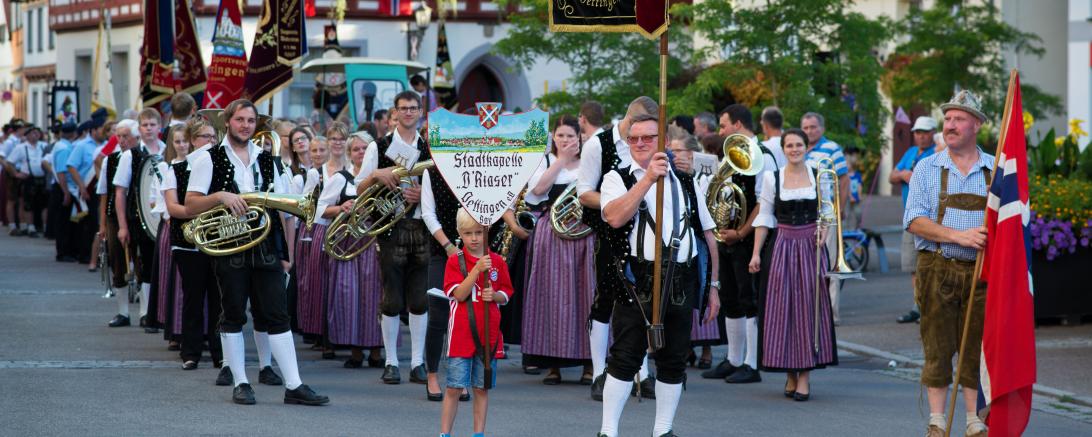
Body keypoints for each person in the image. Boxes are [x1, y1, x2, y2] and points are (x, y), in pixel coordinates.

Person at [185, 99, 329, 406]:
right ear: (229, 122)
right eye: (240, 120)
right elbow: (190, 205)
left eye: (251, 121)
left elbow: (283, 208)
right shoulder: (206, 159)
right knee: (233, 314)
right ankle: (241, 382)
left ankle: (294, 384)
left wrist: (287, 253)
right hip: (228, 247)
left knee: (278, 314)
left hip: (264, 246)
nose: (245, 125)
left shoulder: (269, 160)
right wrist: (221, 196)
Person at [597, 113, 720, 437]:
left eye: (648, 138)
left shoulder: (687, 179)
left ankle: (662, 430)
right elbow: (613, 216)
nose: (640, 144)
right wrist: (648, 178)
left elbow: (707, 234)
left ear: (662, 142)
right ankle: (608, 431)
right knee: (625, 356)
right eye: (634, 138)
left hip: (682, 277)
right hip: (637, 278)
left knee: (674, 358)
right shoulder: (618, 177)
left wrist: (713, 286)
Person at [904, 91, 991, 437]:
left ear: (977, 125)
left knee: (975, 346)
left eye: (959, 119)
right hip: (937, 267)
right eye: (948, 119)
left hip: (982, 273)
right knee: (937, 347)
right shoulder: (927, 167)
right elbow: (914, 220)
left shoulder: (994, 170)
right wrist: (960, 236)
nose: (950, 125)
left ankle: (973, 421)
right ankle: (938, 422)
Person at [577, 96, 659, 401]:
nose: (643, 138)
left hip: (647, 233)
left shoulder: (647, 143)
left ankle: (643, 372)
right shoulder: (598, 144)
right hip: (611, 233)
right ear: (630, 119)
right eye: (639, 130)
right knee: (605, 299)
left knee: (644, 300)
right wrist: (621, 200)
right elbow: (584, 193)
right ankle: (599, 373)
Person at [748, 127, 838, 402]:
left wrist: (824, 231)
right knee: (783, 308)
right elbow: (764, 217)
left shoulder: (816, 174)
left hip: (811, 246)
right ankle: (790, 371)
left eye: (799, 145)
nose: (795, 149)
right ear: (784, 149)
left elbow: (827, 209)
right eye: (790, 145)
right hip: (784, 245)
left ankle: (805, 377)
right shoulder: (771, 178)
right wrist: (755, 254)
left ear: (806, 147)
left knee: (810, 309)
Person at [354, 91, 430, 386]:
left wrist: (420, 193)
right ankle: (390, 361)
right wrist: (376, 175)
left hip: (422, 225)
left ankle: (418, 362)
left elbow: (443, 188)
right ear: (394, 114)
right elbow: (359, 187)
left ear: (421, 112)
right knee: (391, 297)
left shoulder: (430, 146)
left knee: (420, 298)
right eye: (403, 109)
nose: (409, 113)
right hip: (390, 226)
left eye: (413, 108)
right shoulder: (378, 146)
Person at [520, 115, 596, 385]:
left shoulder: (589, 162)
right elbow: (537, 191)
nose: (565, 140)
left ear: (579, 138)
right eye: (561, 136)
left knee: (586, 297)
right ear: (554, 137)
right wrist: (561, 161)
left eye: (570, 136)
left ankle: (589, 363)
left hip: (584, 235)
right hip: (551, 236)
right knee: (550, 298)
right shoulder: (546, 162)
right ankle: (553, 364)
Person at [703, 104, 767, 384]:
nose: (721, 131)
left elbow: (763, 202)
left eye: (724, 125)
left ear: (738, 124)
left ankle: (752, 363)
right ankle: (734, 359)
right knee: (730, 297)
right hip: (727, 236)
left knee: (747, 298)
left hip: (746, 238)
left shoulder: (763, 156)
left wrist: (740, 232)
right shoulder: (731, 154)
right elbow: (722, 194)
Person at [439, 209, 514, 437]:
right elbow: (459, 294)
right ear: (460, 234)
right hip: (461, 334)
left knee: (481, 388)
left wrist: (497, 296)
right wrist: (476, 270)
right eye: (468, 233)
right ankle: (444, 434)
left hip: (488, 334)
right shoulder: (455, 261)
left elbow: (507, 292)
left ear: (486, 232)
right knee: (454, 387)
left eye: (478, 233)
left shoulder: (498, 261)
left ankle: (478, 434)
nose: (474, 238)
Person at [161, 119, 222, 370]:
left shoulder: (221, 167)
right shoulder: (175, 170)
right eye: (205, 137)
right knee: (193, 298)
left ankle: (222, 354)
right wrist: (198, 212)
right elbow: (173, 207)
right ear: (193, 141)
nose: (210, 142)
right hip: (187, 243)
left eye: (213, 137)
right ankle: (191, 352)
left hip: (218, 240)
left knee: (220, 299)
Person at [667, 129, 723, 369]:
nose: (674, 154)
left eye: (678, 150)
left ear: (690, 152)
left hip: (701, 234)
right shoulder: (671, 174)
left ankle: (707, 349)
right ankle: (685, 347)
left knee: (701, 288)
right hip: (682, 239)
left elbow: (714, 196)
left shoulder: (705, 170)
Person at [113, 109, 165, 329]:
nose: (149, 128)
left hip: (163, 217)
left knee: (158, 265)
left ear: (160, 127)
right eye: (145, 125)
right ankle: (144, 312)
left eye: (153, 124)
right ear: (139, 129)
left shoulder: (167, 151)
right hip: (138, 218)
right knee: (143, 264)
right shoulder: (130, 155)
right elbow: (120, 192)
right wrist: (122, 226)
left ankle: (156, 312)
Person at [800, 112, 848, 325]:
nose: (809, 131)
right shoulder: (799, 148)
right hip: (805, 216)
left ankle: (832, 314)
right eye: (806, 127)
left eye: (813, 127)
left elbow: (844, 179)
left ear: (822, 128)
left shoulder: (832, 148)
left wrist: (840, 210)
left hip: (827, 216)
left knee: (830, 266)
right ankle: (812, 312)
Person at [891, 116, 938, 324]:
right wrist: (903, 174)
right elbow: (892, 176)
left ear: (933, 133)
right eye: (918, 132)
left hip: (929, 218)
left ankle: (930, 307)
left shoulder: (938, 152)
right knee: (912, 266)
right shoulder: (910, 153)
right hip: (910, 217)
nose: (921, 136)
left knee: (931, 264)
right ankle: (918, 306)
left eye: (925, 132)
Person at [100, 119, 140, 327]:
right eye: (119, 136)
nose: (122, 140)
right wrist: (103, 225)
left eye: (126, 136)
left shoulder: (145, 155)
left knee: (141, 261)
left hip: (140, 215)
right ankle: (123, 312)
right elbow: (105, 194)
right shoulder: (111, 160)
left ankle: (145, 312)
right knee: (118, 260)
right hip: (116, 216)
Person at [296, 136, 333, 352]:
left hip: (332, 224)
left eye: (322, 149)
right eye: (314, 150)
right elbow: (305, 200)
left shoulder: (335, 171)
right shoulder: (313, 174)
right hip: (318, 225)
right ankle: (318, 331)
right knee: (317, 281)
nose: (318, 154)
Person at [66, 116, 108, 266]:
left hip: (102, 190)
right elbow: (71, 166)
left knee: (99, 224)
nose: (104, 132)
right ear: (93, 130)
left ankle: (98, 256)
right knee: (88, 225)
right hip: (88, 189)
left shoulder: (107, 145)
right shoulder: (82, 146)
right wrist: (82, 187)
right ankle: (84, 255)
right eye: (102, 129)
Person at [5, 125, 49, 238]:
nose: (36, 135)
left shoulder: (44, 146)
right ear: (27, 135)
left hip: (42, 178)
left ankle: (45, 227)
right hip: (29, 178)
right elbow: (9, 162)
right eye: (33, 133)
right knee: (28, 204)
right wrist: (15, 174)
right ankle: (30, 227)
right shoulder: (21, 147)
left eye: (37, 133)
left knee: (44, 204)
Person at [49, 122, 79, 261]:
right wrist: (66, 192)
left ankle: (66, 250)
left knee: (65, 221)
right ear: (73, 133)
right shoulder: (64, 148)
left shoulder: (60, 145)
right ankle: (63, 252)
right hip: (63, 188)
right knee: (64, 222)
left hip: (62, 187)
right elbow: (61, 172)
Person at [844, 146, 864, 230]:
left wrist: (859, 195)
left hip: (856, 198)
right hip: (847, 198)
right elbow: (846, 186)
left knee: (858, 213)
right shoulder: (845, 176)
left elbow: (859, 185)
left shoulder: (857, 174)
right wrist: (850, 196)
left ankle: (857, 228)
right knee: (846, 214)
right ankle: (845, 230)